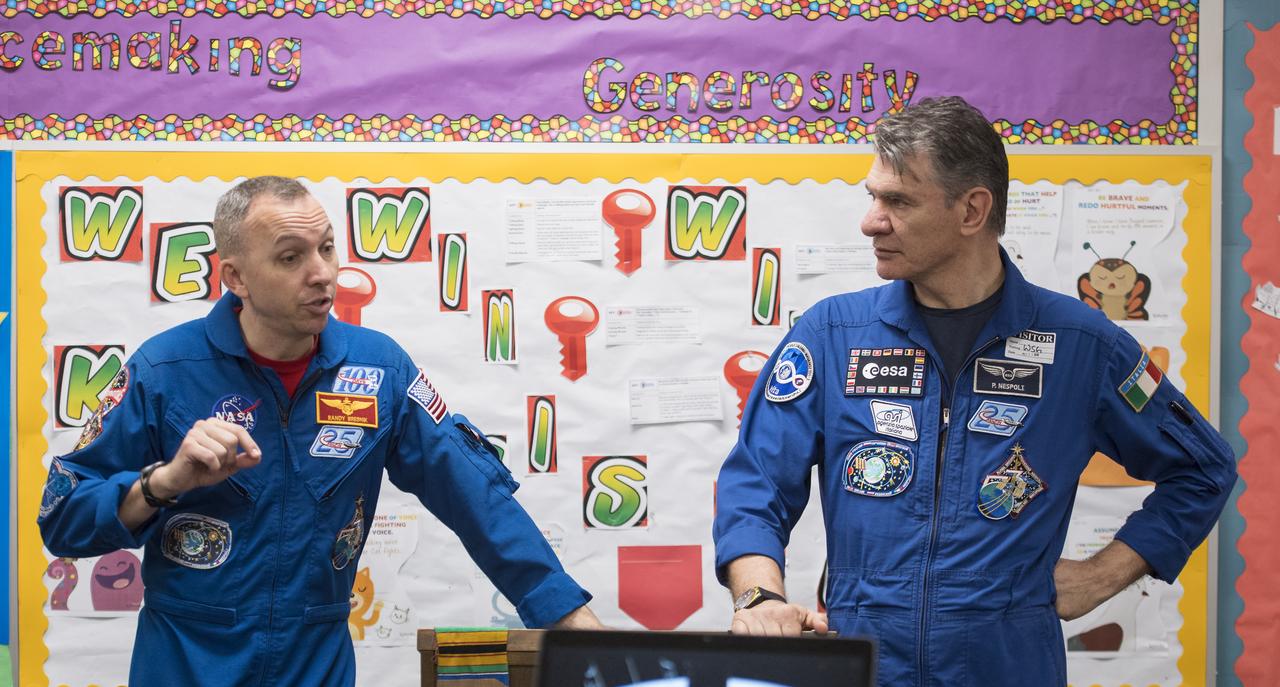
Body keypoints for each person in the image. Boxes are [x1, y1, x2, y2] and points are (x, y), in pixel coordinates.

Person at [711, 97, 1236, 686]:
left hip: (1008, 666)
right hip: (865, 661)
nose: (870, 221)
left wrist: (1103, 574)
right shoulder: (832, 335)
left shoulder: (1082, 345)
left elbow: (1203, 469)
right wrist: (759, 596)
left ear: (972, 210)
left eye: (898, 201)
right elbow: (756, 481)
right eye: (873, 196)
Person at [38, 176, 602, 686]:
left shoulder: (379, 371)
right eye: (291, 257)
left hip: (315, 662)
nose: (323, 273)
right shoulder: (164, 371)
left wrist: (564, 612)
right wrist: (163, 481)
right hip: (186, 662)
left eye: (327, 248)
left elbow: (475, 497)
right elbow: (62, 520)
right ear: (235, 276)